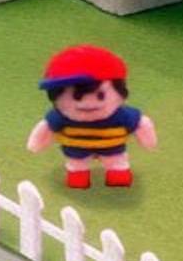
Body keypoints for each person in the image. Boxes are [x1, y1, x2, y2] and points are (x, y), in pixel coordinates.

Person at [26, 45, 157, 189]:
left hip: (112, 149)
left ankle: (117, 174)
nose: (87, 104)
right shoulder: (61, 117)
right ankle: (79, 177)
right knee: (77, 166)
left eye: (100, 96)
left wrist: (148, 140)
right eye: (77, 97)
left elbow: (140, 123)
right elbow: (47, 127)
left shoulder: (122, 115)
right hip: (77, 151)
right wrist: (36, 144)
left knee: (116, 164)